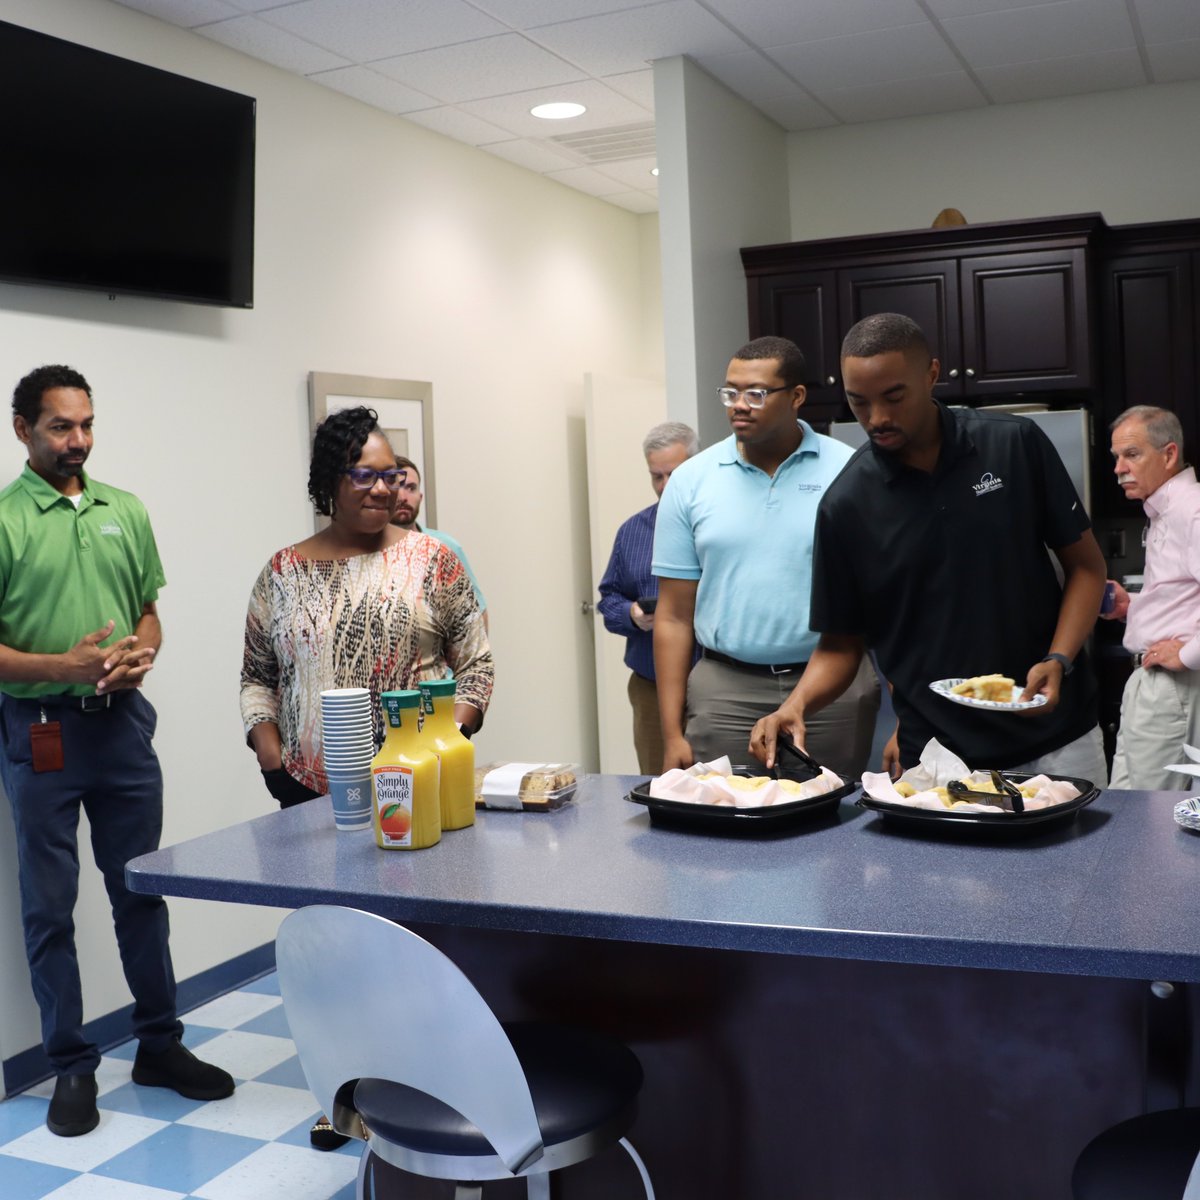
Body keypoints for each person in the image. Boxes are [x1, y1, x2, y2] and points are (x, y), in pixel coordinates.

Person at [0, 365, 233, 1138]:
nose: (78, 441)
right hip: (42, 735)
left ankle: (160, 1046)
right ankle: (71, 1066)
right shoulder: (4, 520)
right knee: (49, 910)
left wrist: (142, 653)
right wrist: (58, 668)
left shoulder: (124, 510)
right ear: (23, 430)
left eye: (87, 424)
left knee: (139, 890)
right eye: (61, 427)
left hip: (123, 727)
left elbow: (147, 613)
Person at [750, 313, 1109, 785]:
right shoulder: (846, 504)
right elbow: (841, 642)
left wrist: (1059, 658)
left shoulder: (1014, 446)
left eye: (894, 397)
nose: (877, 418)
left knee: (1084, 861)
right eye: (859, 402)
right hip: (940, 757)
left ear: (932, 374)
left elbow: (1086, 568)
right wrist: (793, 706)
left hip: (1058, 741)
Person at [240, 407, 494, 811]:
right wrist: (270, 756)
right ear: (329, 480)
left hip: (421, 780)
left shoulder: (432, 560)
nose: (382, 489)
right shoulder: (282, 573)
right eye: (364, 475)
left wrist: (452, 737)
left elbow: (475, 665)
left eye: (391, 475)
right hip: (306, 789)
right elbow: (256, 677)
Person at [652, 336, 880, 777]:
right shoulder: (690, 481)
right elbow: (673, 616)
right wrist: (670, 734)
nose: (739, 404)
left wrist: (904, 717)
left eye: (755, 393)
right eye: (730, 392)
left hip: (831, 687)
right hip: (724, 691)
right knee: (722, 823)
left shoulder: (852, 471)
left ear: (796, 397)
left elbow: (885, 601)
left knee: (833, 825)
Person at [1102, 406, 1200, 789]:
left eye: (1132, 454)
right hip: (1151, 684)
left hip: (1172, 688)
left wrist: (1188, 654)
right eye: (1116, 458)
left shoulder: (1191, 511)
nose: (1119, 469)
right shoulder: (1166, 511)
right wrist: (1134, 608)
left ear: (1169, 454)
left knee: (1152, 823)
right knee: (1130, 813)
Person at [597, 422, 700, 773]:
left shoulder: (720, 526)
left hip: (714, 685)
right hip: (651, 688)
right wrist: (632, 614)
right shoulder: (632, 532)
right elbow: (608, 599)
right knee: (665, 786)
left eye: (675, 474)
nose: (665, 486)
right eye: (657, 476)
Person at [391, 454, 488, 629]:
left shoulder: (444, 547)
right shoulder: (371, 550)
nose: (403, 497)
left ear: (420, 497)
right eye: (396, 488)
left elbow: (476, 614)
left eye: (410, 488)